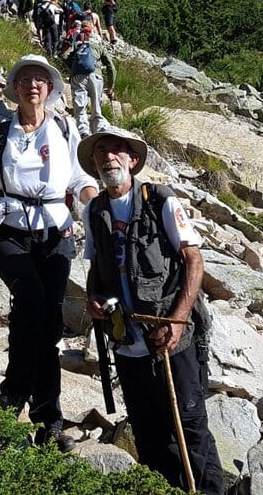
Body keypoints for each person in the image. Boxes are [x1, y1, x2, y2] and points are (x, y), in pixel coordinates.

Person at [80, 128, 225, 494]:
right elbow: (96, 265)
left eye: (116, 150)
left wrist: (177, 321)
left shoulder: (160, 199)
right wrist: (93, 298)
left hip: (170, 335)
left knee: (188, 425)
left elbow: (193, 261)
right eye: (101, 153)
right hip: (127, 338)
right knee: (147, 430)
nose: (108, 157)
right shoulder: (94, 210)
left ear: (132, 160)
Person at [0, 55, 98, 452]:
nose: (32, 86)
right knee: (34, 302)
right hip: (8, 231)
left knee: (44, 318)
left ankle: (21, 402)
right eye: (25, 79)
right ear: (16, 88)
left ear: (50, 88)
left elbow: (79, 178)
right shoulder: (0, 131)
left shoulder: (64, 127)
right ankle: (42, 414)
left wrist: (96, 211)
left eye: (39, 80)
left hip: (55, 231)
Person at [62, 23, 111, 138]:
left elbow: (64, 56)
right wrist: (111, 86)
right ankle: (98, 130)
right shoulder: (99, 46)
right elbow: (110, 66)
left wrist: (72, 68)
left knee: (80, 105)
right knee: (96, 105)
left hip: (77, 76)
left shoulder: (78, 45)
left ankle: (83, 132)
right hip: (96, 76)